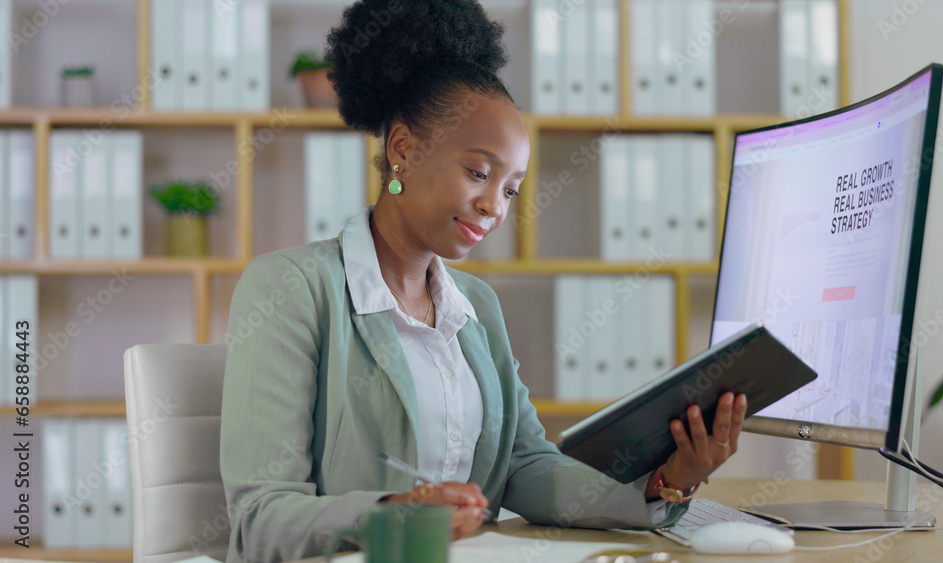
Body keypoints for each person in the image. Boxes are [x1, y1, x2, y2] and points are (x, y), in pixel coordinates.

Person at [219, 1, 747, 561]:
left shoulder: (475, 306)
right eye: (478, 172)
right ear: (403, 148)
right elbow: (260, 519)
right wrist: (399, 512)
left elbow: (526, 467)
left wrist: (663, 480)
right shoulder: (291, 288)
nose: (495, 207)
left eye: (512, 189)